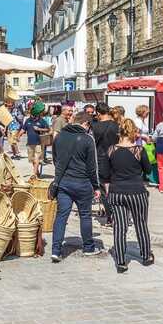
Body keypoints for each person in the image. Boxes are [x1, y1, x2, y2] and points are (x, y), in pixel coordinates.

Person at [100, 118, 154, 273]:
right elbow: (149, 170)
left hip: (116, 192)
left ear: (119, 133)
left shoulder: (110, 150)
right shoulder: (139, 150)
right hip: (137, 192)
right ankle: (146, 256)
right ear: (133, 132)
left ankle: (121, 261)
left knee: (120, 226)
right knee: (140, 224)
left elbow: (104, 174)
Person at [51, 111, 101, 263]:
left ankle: (56, 251)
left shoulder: (59, 136)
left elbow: (55, 159)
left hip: (63, 182)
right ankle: (88, 247)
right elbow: (92, 167)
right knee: (85, 215)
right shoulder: (87, 139)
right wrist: (96, 186)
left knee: (61, 216)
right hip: (82, 183)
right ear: (86, 124)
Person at [91, 102, 119, 227]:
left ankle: (110, 216)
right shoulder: (116, 125)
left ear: (98, 113)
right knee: (114, 187)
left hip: (101, 158)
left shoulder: (95, 126)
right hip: (115, 157)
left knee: (103, 188)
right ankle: (118, 213)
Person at [23, 102, 50, 177]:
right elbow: (23, 129)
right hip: (30, 143)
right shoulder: (28, 120)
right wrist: (18, 136)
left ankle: (34, 174)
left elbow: (48, 129)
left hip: (39, 143)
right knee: (32, 160)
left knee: (37, 158)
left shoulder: (42, 120)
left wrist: (39, 129)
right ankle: (37, 172)